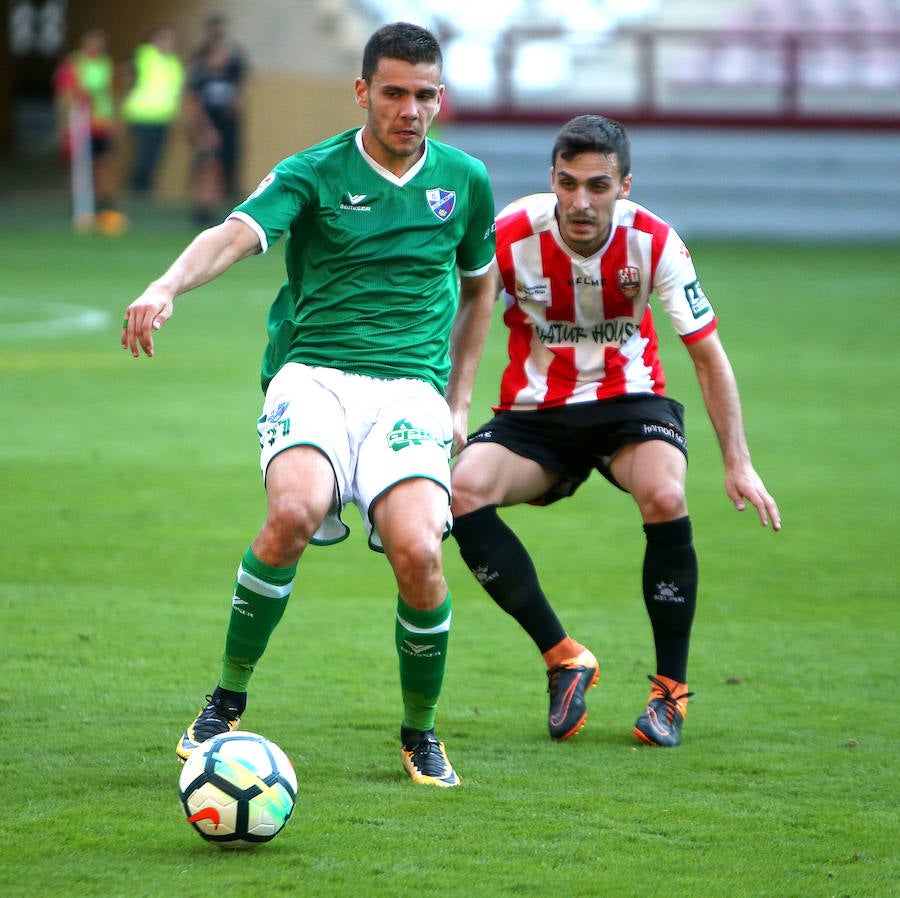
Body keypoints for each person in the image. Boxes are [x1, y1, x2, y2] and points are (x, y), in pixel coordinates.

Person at [121, 22, 496, 787]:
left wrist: (459, 398)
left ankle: (419, 732)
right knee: (294, 513)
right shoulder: (315, 171)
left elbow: (481, 284)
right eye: (393, 93)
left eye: (424, 95)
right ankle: (226, 699)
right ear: (363, 91)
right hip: (314, 375)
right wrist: (165, 286)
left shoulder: (465, 180)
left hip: (410, 390)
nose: (410, 110)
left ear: (440, 99)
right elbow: (232, 234)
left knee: (420, 552)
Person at [450, 114, 781, 748]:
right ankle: (564, 657)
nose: (580, 202)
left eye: (598, 186)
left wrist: (737, 462)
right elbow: (469, 315)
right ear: (552, 179)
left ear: (624, 185)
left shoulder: (655, 243)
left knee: (666, 496)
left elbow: (708, 354)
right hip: (537, 413)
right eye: (568, 184)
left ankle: (669, 694)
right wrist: (456, 407)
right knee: (461, 493)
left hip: (630, 403)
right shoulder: (511, 233)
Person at [53, 26, 127, 235]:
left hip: (102, 123)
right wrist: (64, 124)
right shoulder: (74, 63)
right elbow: (65, 95)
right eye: (93, 41)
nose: (97, 45)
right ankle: (81, 209)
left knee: (106, 164)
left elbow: (111, 94)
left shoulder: (106, 63)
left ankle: (104, 209)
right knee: (81, 168)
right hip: (81, 125)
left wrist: (115, 119)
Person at [184, 34, 247, 224]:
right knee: (208, 167)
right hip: (208, 128)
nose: (224, 56)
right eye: (220, 52)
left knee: (222, 168)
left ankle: (213, 206)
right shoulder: (201, 76)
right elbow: (194, 104)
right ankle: (202, 208)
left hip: (227, 129)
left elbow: (238, 97)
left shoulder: (230, 75)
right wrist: (206, 130)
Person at [121, 25, 185, 196]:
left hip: (162, 117)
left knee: (156, 156)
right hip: (142, 115)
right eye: (163, 39)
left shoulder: (174, 63)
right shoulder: (144, 55)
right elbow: (126, 72)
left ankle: (145, 188)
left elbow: (175, 93)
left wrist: (175, 118)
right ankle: (137, 188)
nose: (168, 43)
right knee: (144, 154)